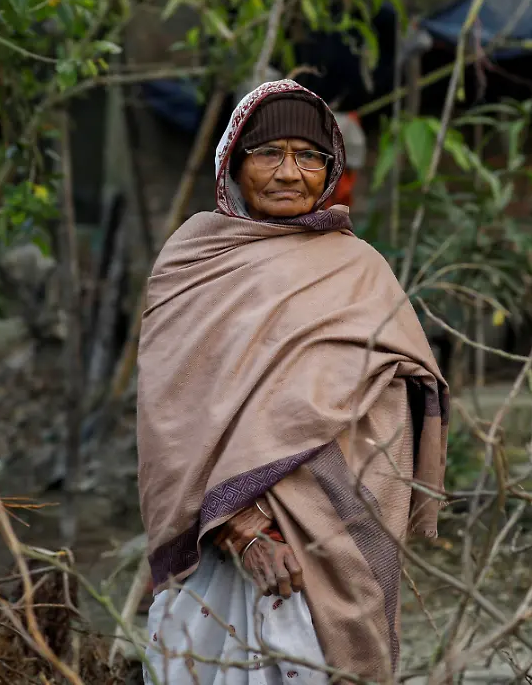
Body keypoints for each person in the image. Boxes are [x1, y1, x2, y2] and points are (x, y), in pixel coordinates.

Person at [137, 79, 449, 684]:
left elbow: (391, 406)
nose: (289, 173)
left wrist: (303, 504)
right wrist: (244, 528)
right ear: (234, 163)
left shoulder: (359, 269)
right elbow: (170, 419)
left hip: (334, 536)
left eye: (309, 156)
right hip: (218, 546)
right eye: (268, 154)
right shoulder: (192, 262)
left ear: (331, 169)